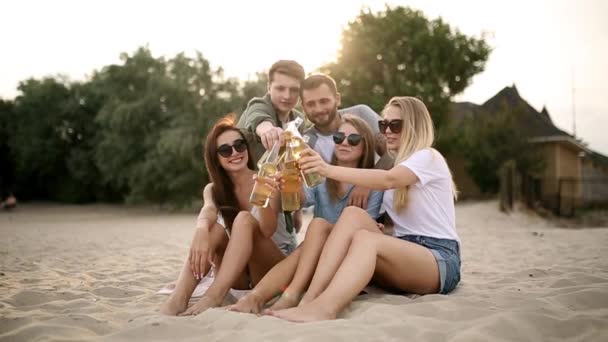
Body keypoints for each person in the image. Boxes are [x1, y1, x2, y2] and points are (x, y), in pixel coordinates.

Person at [268, 96, 461, 322]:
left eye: (395, 125)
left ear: (415, 126)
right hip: (405, 253)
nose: (387, 130)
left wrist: (326, 169)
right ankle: (309, 299)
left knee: (366, 239)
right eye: (383, 125)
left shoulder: (428, 157)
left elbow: (388, 179)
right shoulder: (400, 163)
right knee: (352, 215)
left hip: (439, 259)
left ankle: (325, 307)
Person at [228, 115, 384, 314]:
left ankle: (289, 295)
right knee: (309, 241)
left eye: (353, 139)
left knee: (317, 227)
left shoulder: (371, 182)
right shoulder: (321, 175)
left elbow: (365, 226)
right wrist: (289, 181)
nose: (344, 143)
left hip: (349, 257)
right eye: (338, 137)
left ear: (366, 145)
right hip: (317, 253)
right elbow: (300, 201)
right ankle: (256, 298)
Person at [160, 115, 293, 316]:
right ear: (216, 159)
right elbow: (208, 209)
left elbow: (267, 230)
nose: (235, 153)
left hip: (267, 272)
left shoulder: (266, 177)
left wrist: (263, 196)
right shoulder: (215, 189)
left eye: (239, 145)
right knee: (214, 230)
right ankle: (178, 299)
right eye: (225, 150)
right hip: (236, 279)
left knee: (243, 219)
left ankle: (213, 297)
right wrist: (201, 230)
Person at [300, 74, 393, 209]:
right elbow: (311, 195)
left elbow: (394, 151)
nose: (318, 109)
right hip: (340, 213)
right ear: (303, 107)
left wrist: (367, 183)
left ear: (337, 99)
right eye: (310, 104)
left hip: (383, 205)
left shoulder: (361, 114)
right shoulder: (306, 142)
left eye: (324, 101)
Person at [237, 60, 306, 234]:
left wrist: (296, 211)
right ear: (269, 87)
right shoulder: (259, 104)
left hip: (277, 206)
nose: (287, 95)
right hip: (245, 201)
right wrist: (268, 131)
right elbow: (258, 118)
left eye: (294, 90)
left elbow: (295, 169)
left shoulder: (298, 121)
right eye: (280, 88)